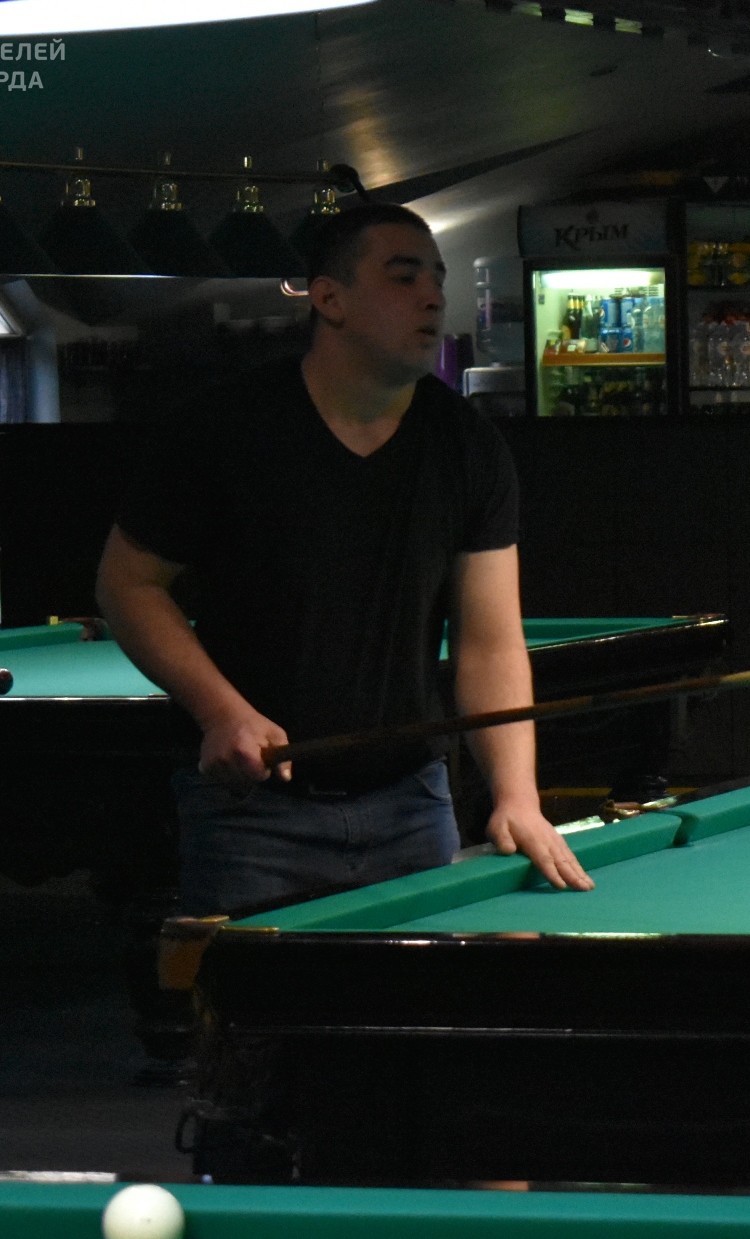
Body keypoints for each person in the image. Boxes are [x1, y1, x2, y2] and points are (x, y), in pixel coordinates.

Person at [96, 203, 590, 917]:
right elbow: (128, 583)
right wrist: (221, 713)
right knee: (252, 995)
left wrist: (517, 795)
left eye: (437, 279)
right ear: (329, 299)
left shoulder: (468, 445)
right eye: (403, 277)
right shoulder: (223, 429)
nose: (432, 297)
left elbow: (489, 642)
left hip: (413, 804)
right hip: (254, 815)